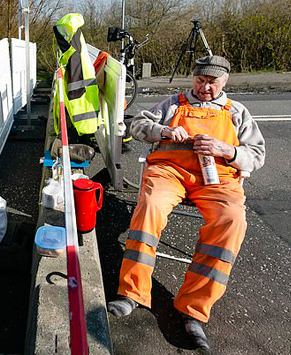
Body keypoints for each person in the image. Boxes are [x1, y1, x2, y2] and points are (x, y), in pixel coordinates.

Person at [108, 56, 265, 353]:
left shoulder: (237, 112)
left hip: (217, 177)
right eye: (200, 80)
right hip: (170, 172)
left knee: (232, 220)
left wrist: (228, 150)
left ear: (224, 82)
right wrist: (164, 132)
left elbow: (256, 155)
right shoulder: (172, 103)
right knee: (150, 205)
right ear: (193, 78)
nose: (205, 87)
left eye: (212, 82)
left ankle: (193, 310)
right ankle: (132, 292)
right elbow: (137, 126)